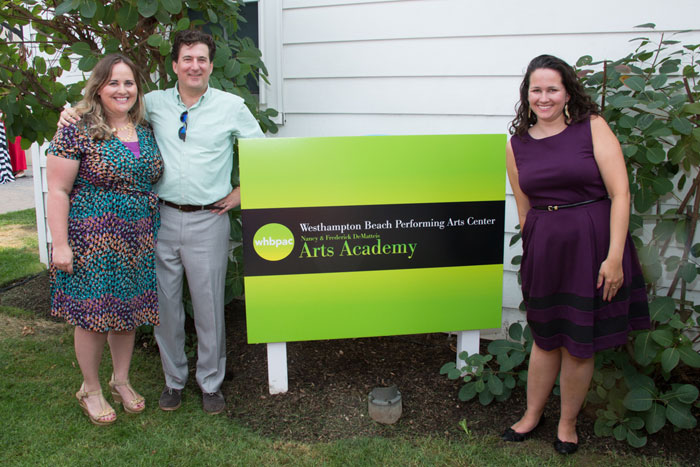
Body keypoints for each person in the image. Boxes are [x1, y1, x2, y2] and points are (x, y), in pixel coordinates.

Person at [61, 30, 264, 414]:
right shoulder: (151, 103)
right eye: (187, 58)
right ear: (174, 65)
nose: (194, 65)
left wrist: (243, 192)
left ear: (211, 65)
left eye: (202, 58)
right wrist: (70, 112)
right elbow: (106, 109)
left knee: (209, 309)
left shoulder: (232, 106)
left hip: (209, 219)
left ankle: (210, 383)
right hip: (160, 218)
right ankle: (174, 380)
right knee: (165, 307)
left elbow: (265, 153)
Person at [503, 55, 650, 454]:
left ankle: (567, 424)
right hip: (546, 251)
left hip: (593, 248)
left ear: (567, 91)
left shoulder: (592, 128)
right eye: (537, 89)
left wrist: (614, 256)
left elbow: (620, 193)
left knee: (579, 340)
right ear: (527, 94)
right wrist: (533, 249)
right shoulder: (515, 145)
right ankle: (532, 415)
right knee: (545, 337)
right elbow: (523, 208)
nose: (544, 97)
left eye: (552, 89)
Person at [47, 54, 163, 425]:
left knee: (127, 315)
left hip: (137, 239)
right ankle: (91, 388)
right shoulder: (76, 128)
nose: (122, 90)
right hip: (92, 239)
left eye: (129, 83)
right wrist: (60, 244)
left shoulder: (144, 130)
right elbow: (58, 191)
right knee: (94, 317)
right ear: (98, 87)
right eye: (113, 82)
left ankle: (122, 381)